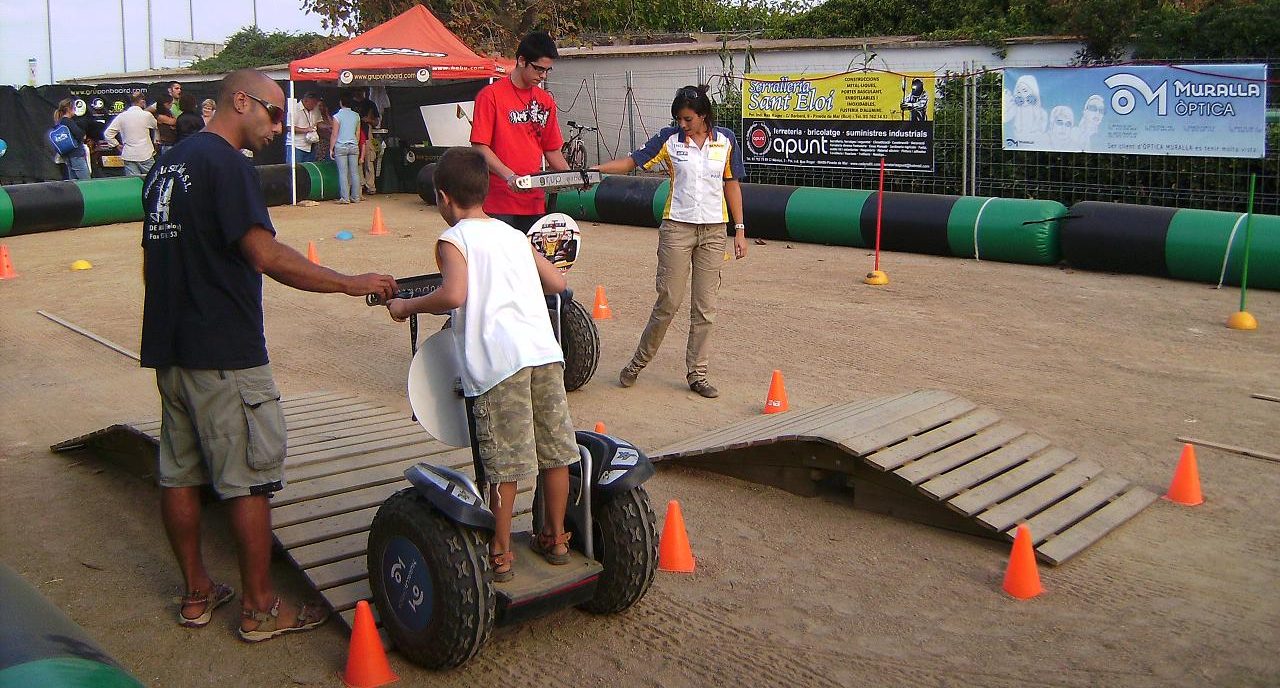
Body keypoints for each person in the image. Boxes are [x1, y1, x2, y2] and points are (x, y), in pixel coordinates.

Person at [139, 68, 397, 641]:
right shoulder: (228, 165)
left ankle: (197, 592)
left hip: (171, 349)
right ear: (239, 100)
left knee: (179, 474)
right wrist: (349, 281)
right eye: (273, 113)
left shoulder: (166, 165)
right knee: (250, 480)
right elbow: (264, 254)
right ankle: (259, 608)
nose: (280, 126)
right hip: (225, 351)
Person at [385, 147, 577, 581]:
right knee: (555, 452)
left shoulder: (455, 240)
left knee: (504, 463)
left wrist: (408, 306)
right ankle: (557, 537)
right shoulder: (513, 235)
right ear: (486, 191)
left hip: (499, 362)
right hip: (543, 353)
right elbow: (559, 283)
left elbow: (454, 295)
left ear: (443, 197)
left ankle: (501, 551)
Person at [594, 85, 748, 399]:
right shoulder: (669, 139)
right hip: (677, 228)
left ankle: (698, 374)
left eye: (688, 119)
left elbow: (731, 184)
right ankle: (637, 363)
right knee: (669, 303)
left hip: (714, 231)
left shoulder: (726, 140)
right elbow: (633, 161)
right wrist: (598, 170)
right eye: (678, 119)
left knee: (705, 308)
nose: (683, 124)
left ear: (703, 115)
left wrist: (740, 229)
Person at [470, 31, 573, 232]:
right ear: (521, 60)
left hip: (534, 202)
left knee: (532, 261)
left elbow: (551, 149)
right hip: (498, 202)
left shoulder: (545, 100)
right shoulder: (490, 96)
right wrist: (510, 177)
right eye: (539, 69)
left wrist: (572, 176)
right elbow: (479, 147)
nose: (543, 75)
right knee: (501, 262)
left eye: (547, 70)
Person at [103, 90, 157, 177]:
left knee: (133, 182)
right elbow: (156, 126)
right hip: (145, 153)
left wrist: (116, 145)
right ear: (142, 101)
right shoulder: (147, 115)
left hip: (128, 154)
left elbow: (107, 134)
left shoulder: (121, 116)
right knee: (152, 180)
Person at [329, 94, 363, 204]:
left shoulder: (337, 116)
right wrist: (355, 143)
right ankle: (356, 197)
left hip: (341, 146)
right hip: (353, 145)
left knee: (343, 173)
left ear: (341, 103)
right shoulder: (356, 116)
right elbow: (357, 132)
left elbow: (334, 134)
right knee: (354, 172)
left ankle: (345, 197)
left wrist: (331, 148)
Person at [53, 98, 90, 180]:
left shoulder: (60, 122)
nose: (75, 110)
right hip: (76, 154)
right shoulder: (68, 121)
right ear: (69, 109)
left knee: (73, 181)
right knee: (86, 181)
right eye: (74, 108)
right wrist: (83, 135)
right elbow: (80, 134)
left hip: (68, 155)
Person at [287, 92, 321, 164]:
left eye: (315, 103)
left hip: (310, 146)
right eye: (313, 103)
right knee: (295, 170)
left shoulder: (315, 110)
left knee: (308, 170)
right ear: (305, 101)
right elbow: (289, 127)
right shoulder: (294, 109)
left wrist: (331, 126)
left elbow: (319, 123)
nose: (314, 106)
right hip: (296, 146)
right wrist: (306, 130)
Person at [152, 92, 178, 156]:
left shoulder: (169, 112)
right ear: (166, 104)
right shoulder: (160, 116)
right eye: (171, 103)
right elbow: (174, 121)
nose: (172, 104)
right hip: (166, 144)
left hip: (172, 142)